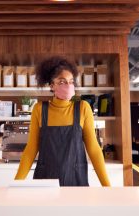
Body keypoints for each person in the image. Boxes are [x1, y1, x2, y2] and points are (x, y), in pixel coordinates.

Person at [14, 56, 111, 186]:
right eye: (62, 82)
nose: (68, 85)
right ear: (52, 85)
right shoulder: (39, 109)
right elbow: (31, 149)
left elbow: (93, 149)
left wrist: (107, 186)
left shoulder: (83, 108)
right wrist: (16, 183)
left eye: (71, 81)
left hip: (75, 178)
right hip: (46, 180)